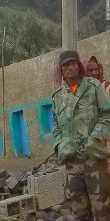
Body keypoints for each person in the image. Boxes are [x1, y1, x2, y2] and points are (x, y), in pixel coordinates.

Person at [52, 51, 110, 220]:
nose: (70, 68)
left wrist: (94, 139)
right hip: (72, 162)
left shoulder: (94, 87)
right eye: (65, 65)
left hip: (94, 159)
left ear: (79, 66)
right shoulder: (57, 97)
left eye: (73, 63)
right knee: (79, 211)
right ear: (61, 70)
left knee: (101, 209)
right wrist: (59, 146)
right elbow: (56, 126)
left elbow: (106, 115)